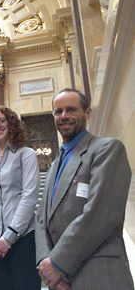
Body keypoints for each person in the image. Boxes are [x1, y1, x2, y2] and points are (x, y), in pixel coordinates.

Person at [35, 88, 134, 290]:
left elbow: (100, 213)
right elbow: (41, 218)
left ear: (87, 113)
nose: (64, 116)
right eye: (58, 111)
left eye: (71, 110)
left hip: (97, 273)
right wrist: (46, 262)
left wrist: (58, 262)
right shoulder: (54, 164)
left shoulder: (107, 149)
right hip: (59, 279)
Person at [0, 106, 41, 290]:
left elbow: (29, 198)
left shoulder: (26, 154)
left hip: (22, 239)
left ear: (11, 123)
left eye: (2, 121)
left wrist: (8, 238)